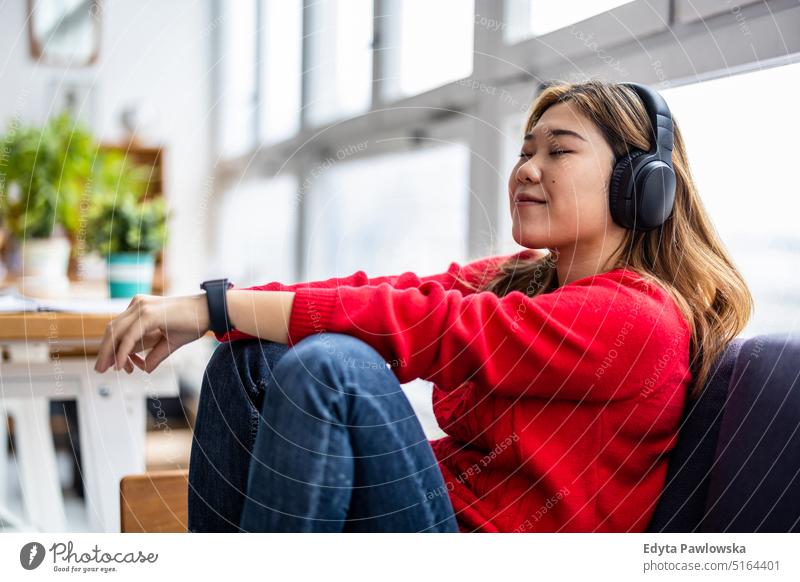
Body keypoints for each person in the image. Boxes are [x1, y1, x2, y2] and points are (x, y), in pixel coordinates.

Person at [94, 80, 752, 532]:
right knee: (247, 364)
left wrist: (212, 311)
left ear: (642, 186)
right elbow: (388, 296)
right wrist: (215, 305)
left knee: (330, 372)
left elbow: (429, 329)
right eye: (525, 150)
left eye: (558, 151)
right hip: (435, 519)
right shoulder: (521, 278)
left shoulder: (638, 319)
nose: (526, 169)